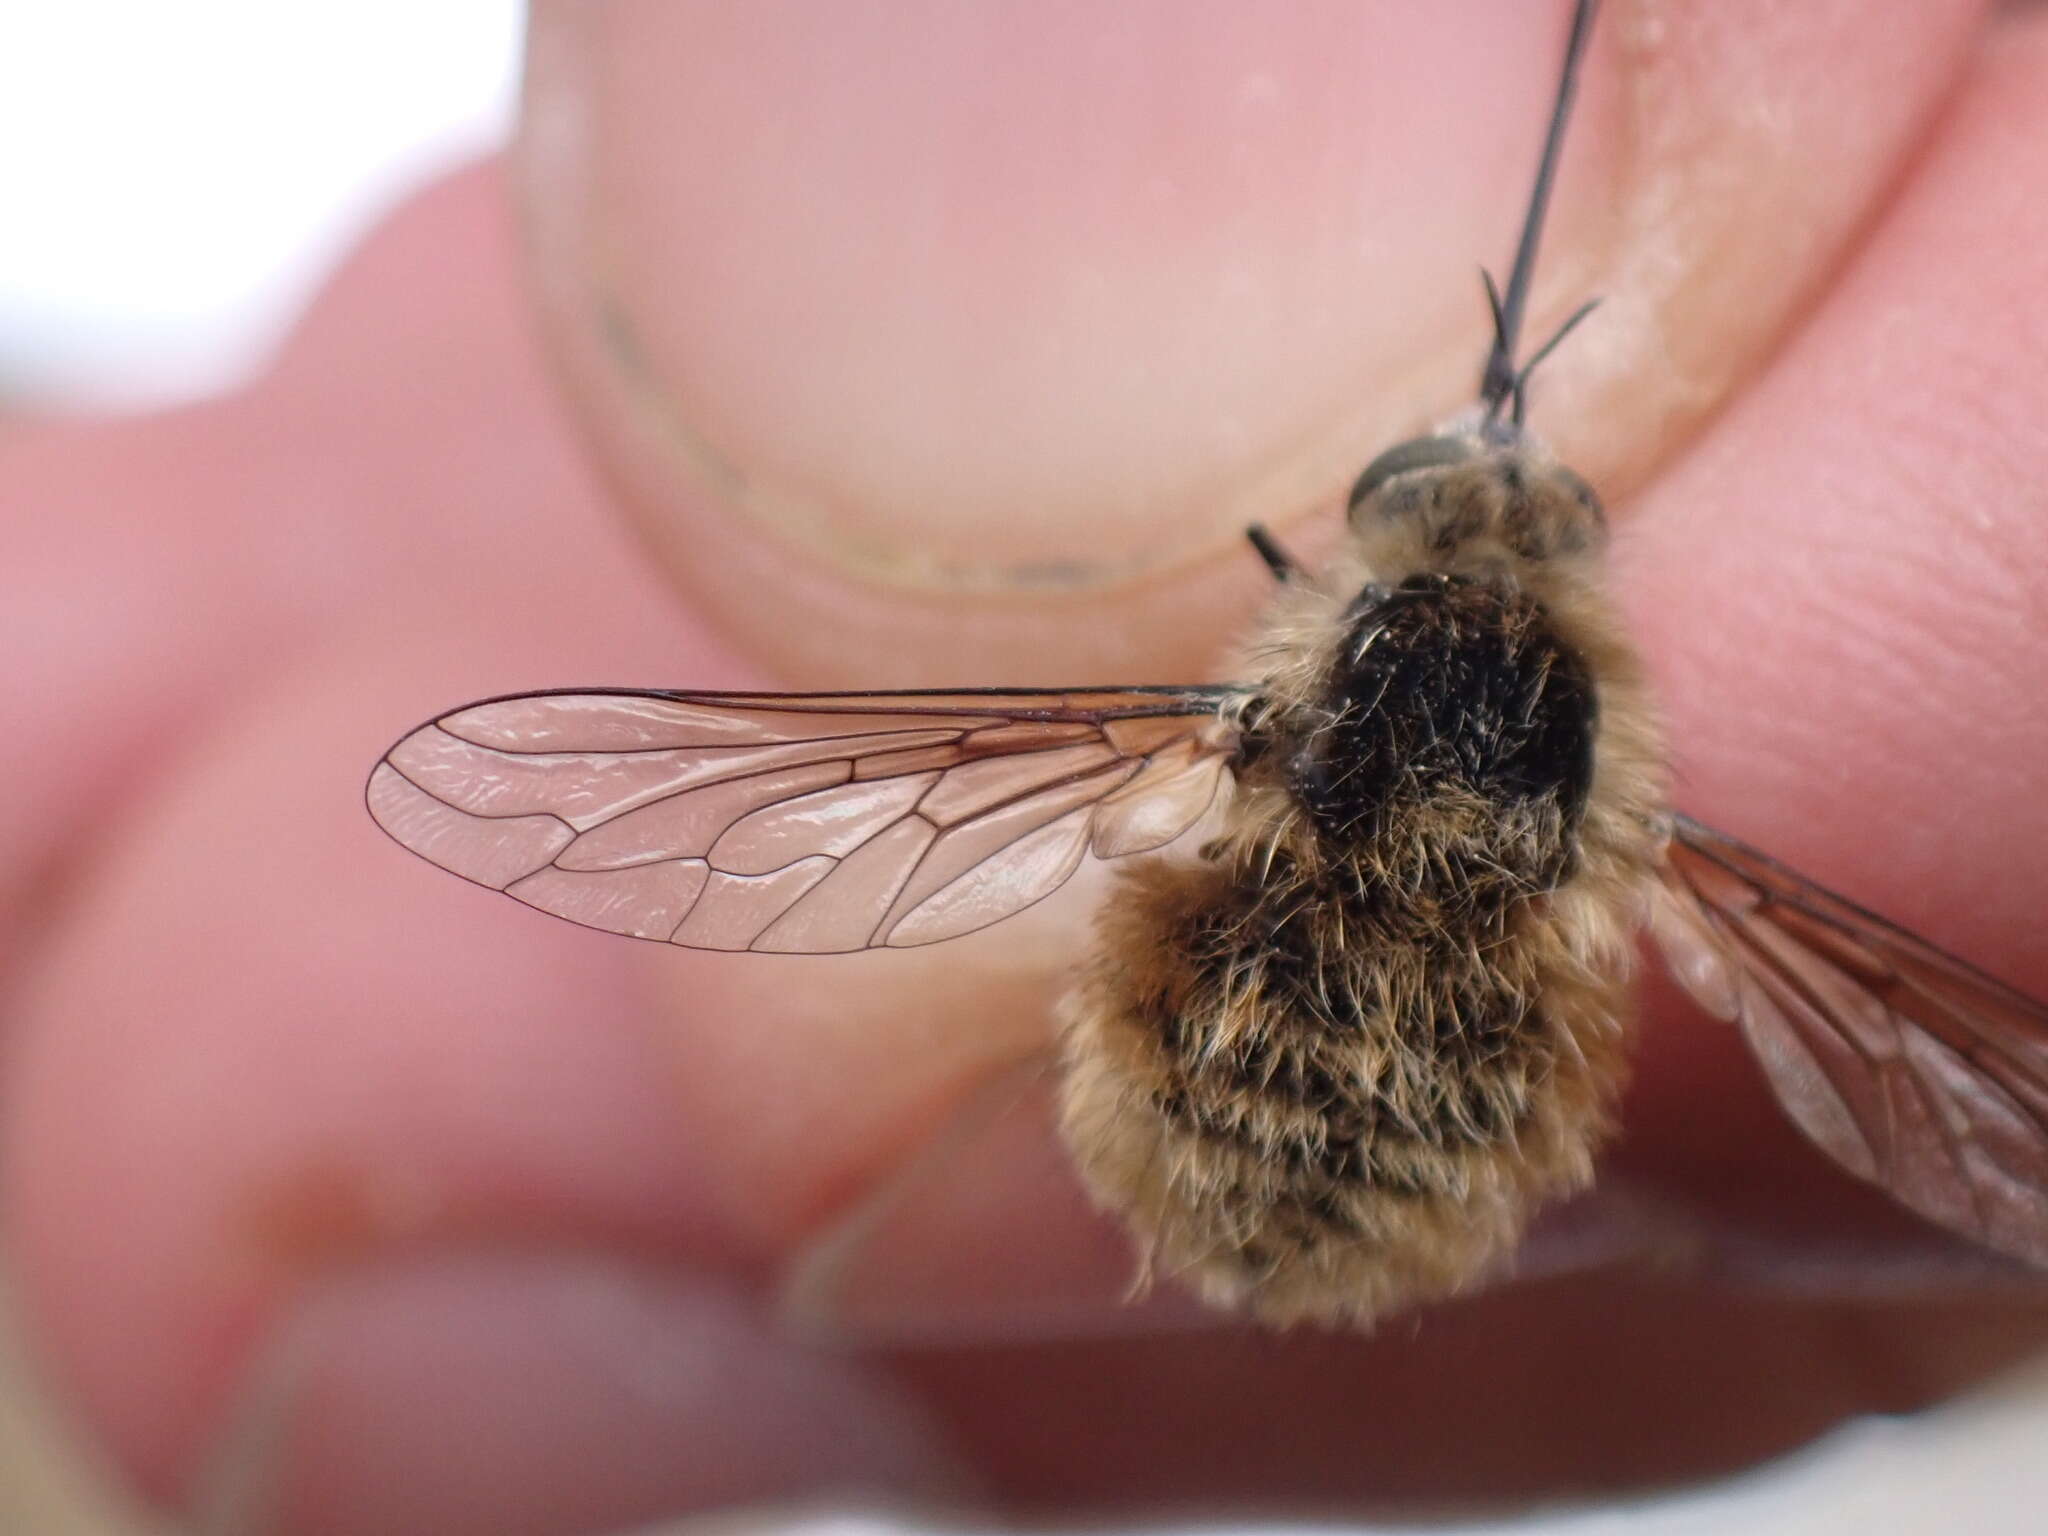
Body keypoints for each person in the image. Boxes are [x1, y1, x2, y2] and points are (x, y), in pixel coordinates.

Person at [6, 5, 2048, 1532]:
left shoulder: (1264, 671)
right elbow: (1828, 975)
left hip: (1230, 1126)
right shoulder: (1643, 802)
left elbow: (851, 795)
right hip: (1414, 1177)